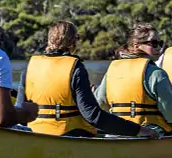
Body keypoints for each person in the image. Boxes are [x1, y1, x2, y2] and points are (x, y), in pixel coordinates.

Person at [18, 21, 158, 138]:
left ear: (49, 40)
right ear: (73, 42)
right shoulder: (76, 68)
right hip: (69, 135)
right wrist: (138, 130)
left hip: (35, 134)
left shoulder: (30, 67)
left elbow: (21, 111)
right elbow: (93, 116)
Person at [94, 23, 172, 136]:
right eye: (154, 43)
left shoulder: (111, 70)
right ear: (136, 46)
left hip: (117, 132)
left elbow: (100, 103)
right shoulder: (157, 74)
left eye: (160, 43)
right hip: (150, 132)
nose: (159, 48)